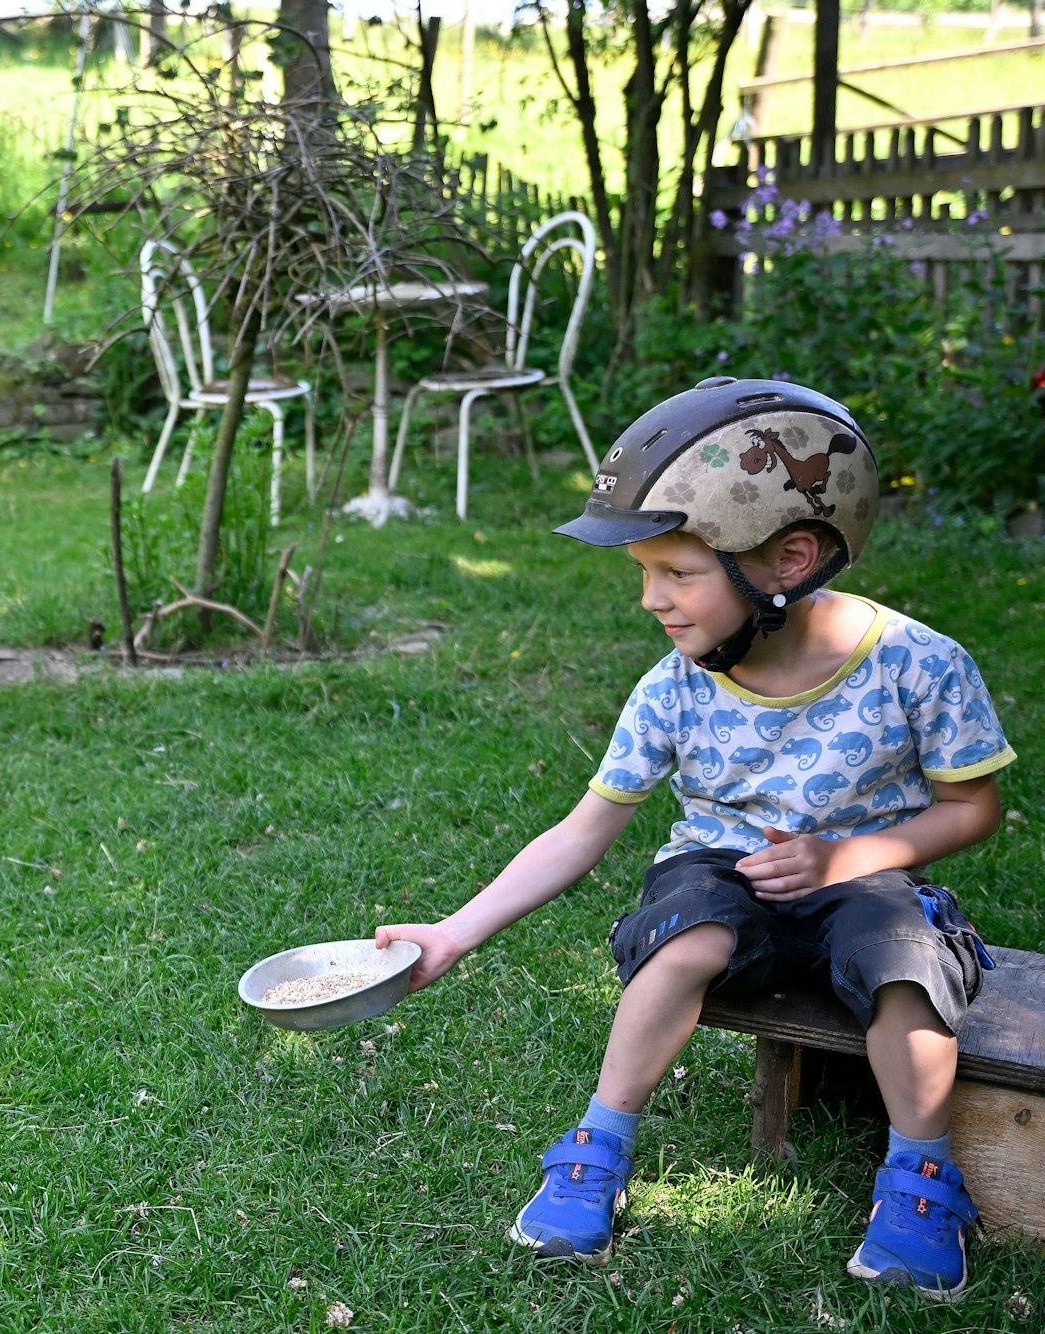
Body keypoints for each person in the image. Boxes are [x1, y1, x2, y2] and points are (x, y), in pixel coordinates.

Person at [375, 377, 1012, 1299]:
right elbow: (584, 830)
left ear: (789, 559)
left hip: (865, 872)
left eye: (677, 574)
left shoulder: (920, 665)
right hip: (718, 869)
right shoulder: (673, 687)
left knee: (907, 965)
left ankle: (921, 1182)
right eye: (644, 573)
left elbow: (973, 809)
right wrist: (453, 932)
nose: (651, 601)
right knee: (686, 940)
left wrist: (848, 858)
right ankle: (597, 1147)